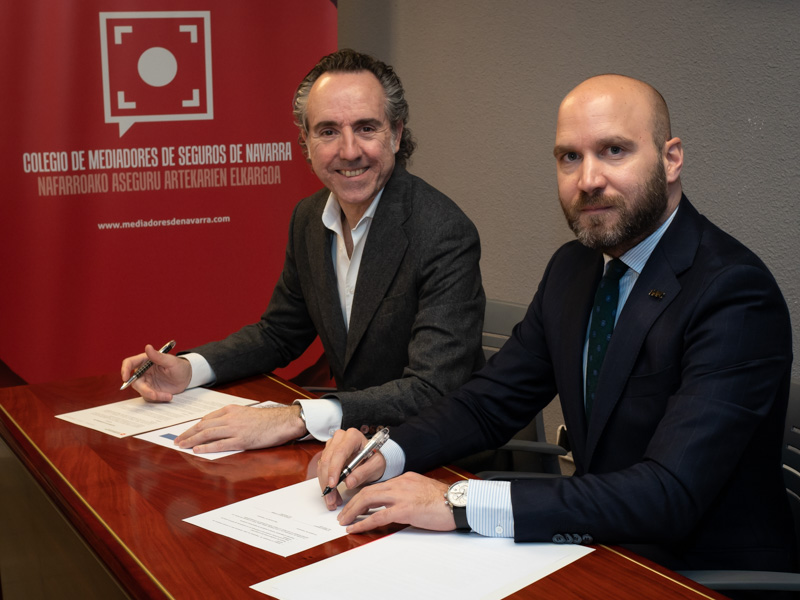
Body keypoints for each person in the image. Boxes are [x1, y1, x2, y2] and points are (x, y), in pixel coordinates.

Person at [318, 74, 795, 575]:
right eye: (570, 157)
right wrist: (386, 453)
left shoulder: (734, 292)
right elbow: (489, 404)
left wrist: (460, 501)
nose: (588, 179)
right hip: (595, 547)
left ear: (671, 159)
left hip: (693, 572)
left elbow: (667, 493)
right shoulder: (574, 267)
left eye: (614, 151)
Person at [120, 49, 485, 453]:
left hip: (432, 453)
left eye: (366, 128)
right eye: (328, 131)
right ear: (306, 144)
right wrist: (188, 370)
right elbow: (279, 334)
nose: (349, 150)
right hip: (348, 444)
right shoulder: (309, 218)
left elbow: (432, 388)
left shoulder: (443, 232)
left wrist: (297, 417)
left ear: (396, 135)